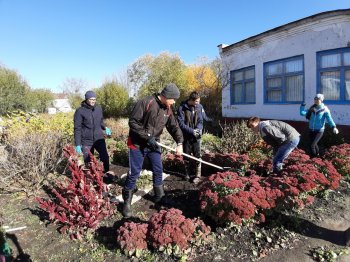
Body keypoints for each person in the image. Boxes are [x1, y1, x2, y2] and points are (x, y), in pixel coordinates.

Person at [122, 83, 184, 218]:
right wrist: (147, 136)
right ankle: (127, 202)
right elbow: (133, 122)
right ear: (167, 96)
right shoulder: (146, 102)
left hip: (153, 144)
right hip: (137, 144)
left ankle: (159, 196)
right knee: (134, 173)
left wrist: (179, 142)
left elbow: (174, 126)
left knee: (158, 169)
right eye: (173, 99)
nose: (174, 102)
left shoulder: (167, 109)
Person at [74, 91, 112, 174]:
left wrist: (105, 127)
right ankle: (90, 177)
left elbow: (100, 121)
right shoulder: (80, 111)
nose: (93, 101)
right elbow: (77, 128)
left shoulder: (98, 108)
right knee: (88, 160)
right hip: (86, 140)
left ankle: (107, 173)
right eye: (91, 99)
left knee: (105, 157)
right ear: (86, 99)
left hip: (99, 138)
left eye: (94, 99)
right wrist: (77, 144)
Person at [177, 91, 205, 184]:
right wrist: (191, 131)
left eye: (198, 101)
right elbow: (181, 124)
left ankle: (198, 176)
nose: (198, 103)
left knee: (198, 155)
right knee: (186, 155)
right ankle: (187, 174)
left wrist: (198, 129)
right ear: (191, 100)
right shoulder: (182, 108)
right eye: (196, 101)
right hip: (186, 135)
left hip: (196, 135)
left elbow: (201, 120)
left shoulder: (199, 107)